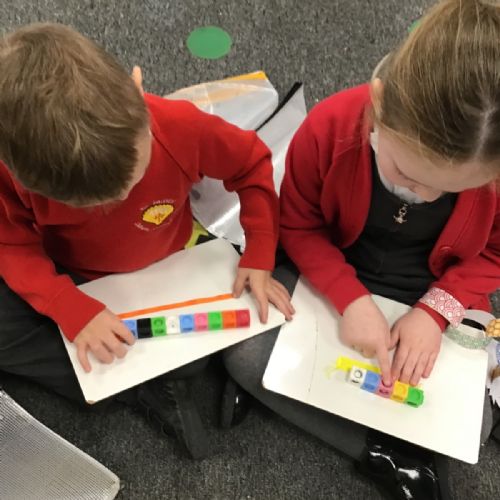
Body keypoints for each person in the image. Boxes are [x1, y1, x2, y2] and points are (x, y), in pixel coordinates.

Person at [223, 1, 500, 497]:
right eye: (407, 174)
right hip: (331, 269)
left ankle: (298, 405)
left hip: (433, 289)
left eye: (449, 189)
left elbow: (494, 256)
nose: (423, 194)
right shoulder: (329, 127)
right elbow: (299, 226)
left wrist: (434, 312)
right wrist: (349, 299)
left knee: (471, 427)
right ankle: (381, 453)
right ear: (379, 103)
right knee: (243, 354)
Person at [0, 23, 294, 460]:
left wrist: (260, 250)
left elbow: (250, 164)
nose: (120, 202)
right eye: (93, 204)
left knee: (214, 341)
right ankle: (143, 386)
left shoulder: (179, 126)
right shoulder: (12, 172)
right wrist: (68, 307)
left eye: (132, 183)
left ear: (138, 90)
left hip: (170, 261)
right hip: (73, 273)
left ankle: (145, 374)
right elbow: (12, 246)